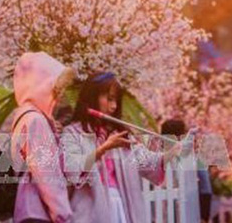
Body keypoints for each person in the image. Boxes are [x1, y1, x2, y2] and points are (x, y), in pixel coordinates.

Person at [61, 72, 175, 223]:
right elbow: (72, 171)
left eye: (116, 100)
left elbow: (146, 161)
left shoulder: (120, 134)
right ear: (92, 97)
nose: (114, 106)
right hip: (90, 211)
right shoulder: (73, 132)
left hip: (121, 206)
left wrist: (172, 153)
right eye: (109, 99)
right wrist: (103, 149)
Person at [11, 52, 75, 223]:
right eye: (55, 89)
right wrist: (63, 215)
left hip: (27, 211)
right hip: (40, 213)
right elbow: (48, 175)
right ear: (42, 86)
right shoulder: (36, 121)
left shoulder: (23, 116)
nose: (59, 95)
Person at [161, 119, 213, 223]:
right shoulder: (195, 157)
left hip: (167, 207)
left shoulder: (159, 157)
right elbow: (206, 187)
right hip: (190, 206)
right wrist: (204, 216)